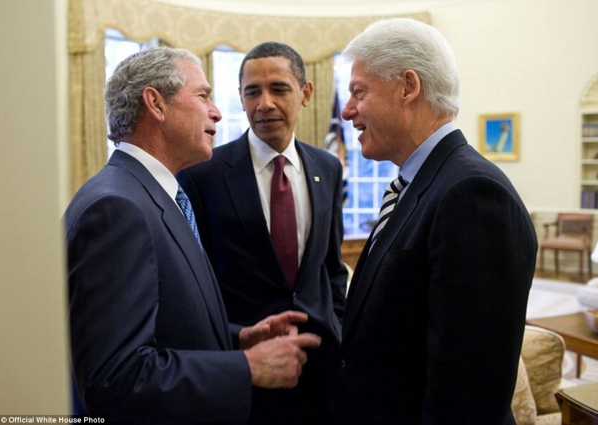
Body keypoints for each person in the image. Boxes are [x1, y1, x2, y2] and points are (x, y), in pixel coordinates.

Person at [65, 46, 322, 424]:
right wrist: (246, 367)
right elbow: (116, 381)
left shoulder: (149, 193)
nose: (217, 111)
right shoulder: (117, 209)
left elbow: (164, 325)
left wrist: (236, 338)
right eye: (203, 96)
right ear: (156, 103)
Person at [332, 18, 538, 425]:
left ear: (408, 87)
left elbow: (468, 395)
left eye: (359, 92)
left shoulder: (472, 195)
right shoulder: (419, 182)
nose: (347, 110)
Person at [177, 41, 348, 425]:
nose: (264, 103)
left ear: (305, 94)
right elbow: (195, 283)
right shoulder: (202, 173)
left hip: (320, 366)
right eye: (252, 92)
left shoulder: (328, 167)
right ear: (240, 97)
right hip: (242, 369)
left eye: (279, 89)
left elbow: (332, 268)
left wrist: (336, 323)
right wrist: (235, 340)